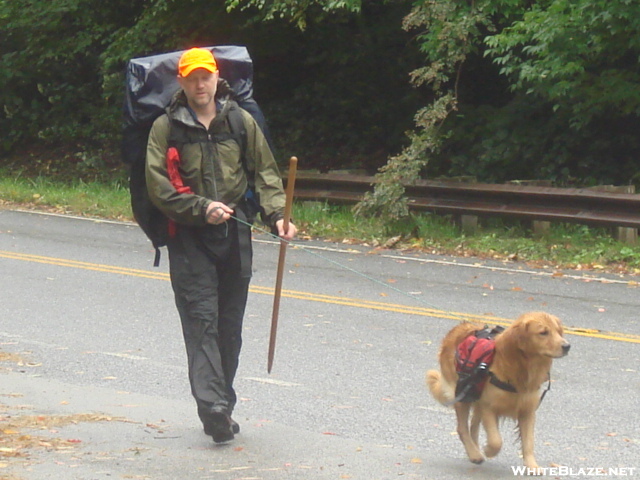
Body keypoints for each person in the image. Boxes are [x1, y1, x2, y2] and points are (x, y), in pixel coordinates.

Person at [145, 47, 297, 443]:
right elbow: (158, 187)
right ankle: (212, 407)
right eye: (192, 77)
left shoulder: (239, 120)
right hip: (190, 237)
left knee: (229, 326)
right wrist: (199, 208)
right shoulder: (166, 127)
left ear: (216, 78)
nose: (200, 84)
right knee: (202, 321)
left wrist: (277, 215)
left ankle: (221, 405)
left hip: (235, 236)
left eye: (205, 76)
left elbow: (265, 173)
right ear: (180, 81)